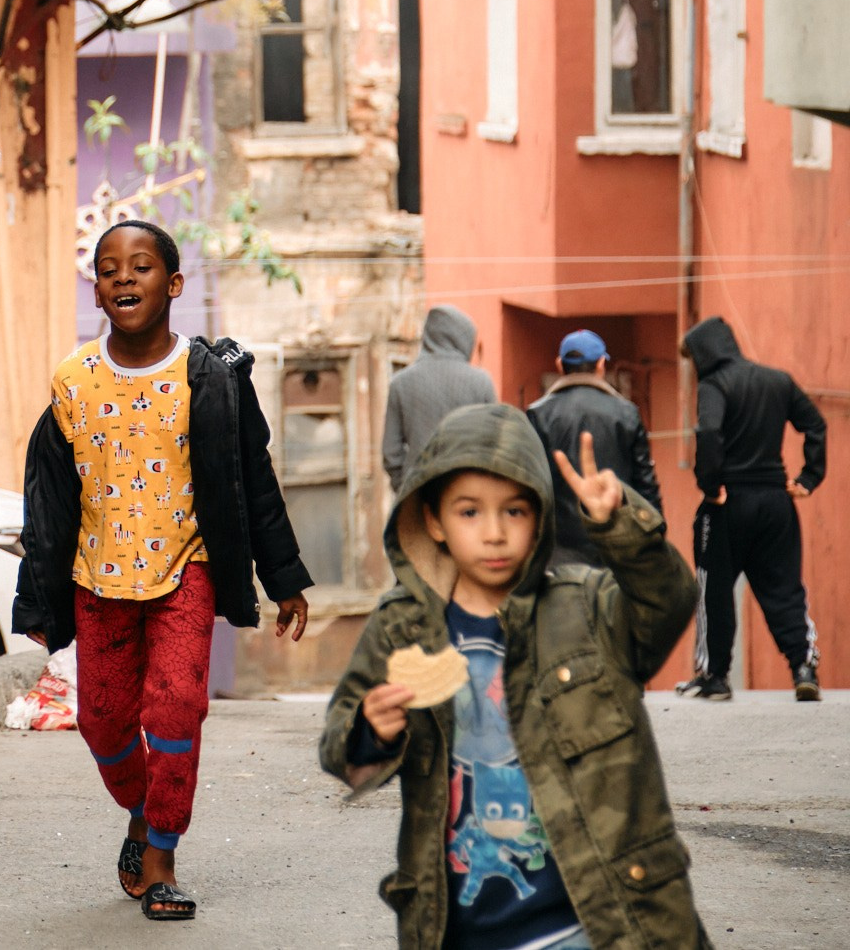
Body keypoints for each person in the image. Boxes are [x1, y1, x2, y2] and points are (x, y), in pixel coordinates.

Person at [12, 219, 312, 923]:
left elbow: (252, 481)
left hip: (187, 571)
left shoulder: (213, 380)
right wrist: (38, 600)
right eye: (108, 268)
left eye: (141, 265)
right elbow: (48, 500)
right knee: (102, 723)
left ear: (174, 284)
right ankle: (142, 811)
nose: (124, 276)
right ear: (96, 290)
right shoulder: (73, 381)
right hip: (97, 581)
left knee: (177, 708)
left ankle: (162, 861)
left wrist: (284, 577)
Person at [321, 404, 707, 949]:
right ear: (434, 521)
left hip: (592, 924)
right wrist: (372, 730)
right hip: (461, 930)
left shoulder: (587, 607)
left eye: (515, 511)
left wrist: (620, 526)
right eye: (470, 512)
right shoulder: (399, 628)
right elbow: (340, 749)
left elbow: (668, 603)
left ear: (540, 518)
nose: (495, 533)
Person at [676, 316, 828, 703]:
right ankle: (803, 667)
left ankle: (715, 676)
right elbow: (815, 424)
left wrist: (710, 487)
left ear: (704, 353)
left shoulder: (714, 385)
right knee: (784, 587)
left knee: (713, 588)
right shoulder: (778, 380)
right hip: (776, 502)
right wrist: (809, 477)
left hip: (727, 504)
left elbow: (709, 432)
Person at [527, 329, 661, 567]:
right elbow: (645, 482)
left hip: (558, 550)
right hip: (618, 544)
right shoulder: (627, 413)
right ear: (600, 365)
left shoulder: (538, 414)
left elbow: (530, 483)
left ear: (559, 365)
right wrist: (655, 536)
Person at [385, 305, 498, 493]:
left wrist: (405, 487)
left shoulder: (400, 383)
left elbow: (391, 453)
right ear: (464, 340)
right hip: (468, 492)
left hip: (418, 491)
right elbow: (495, 443)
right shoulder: (481, 382)